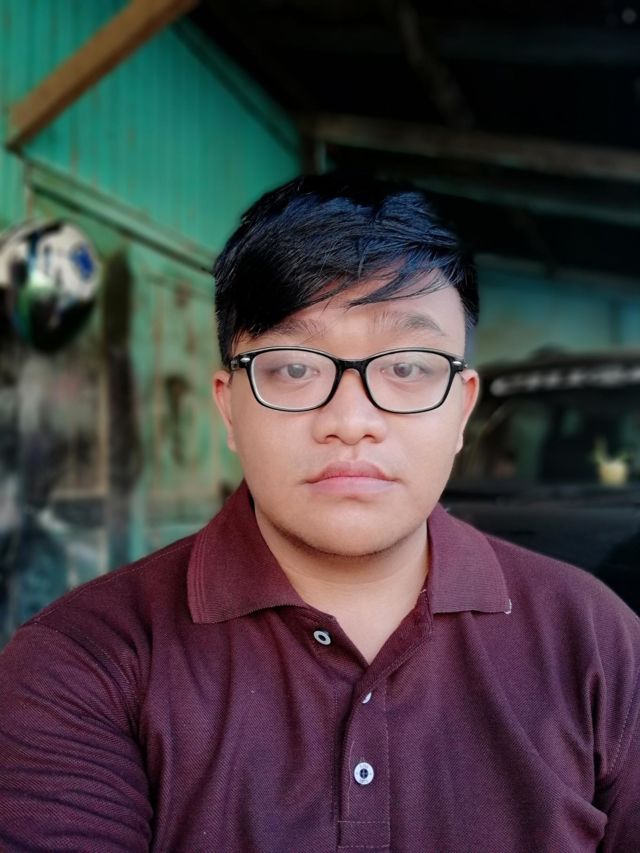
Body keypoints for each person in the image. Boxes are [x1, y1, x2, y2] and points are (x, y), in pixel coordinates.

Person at [0, 174, 639, 852]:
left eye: (408, 367)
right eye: (295, 368)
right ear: (229, 406)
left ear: (462, 408)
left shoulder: (598, 644)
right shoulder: (82, 663)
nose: (351, 420)